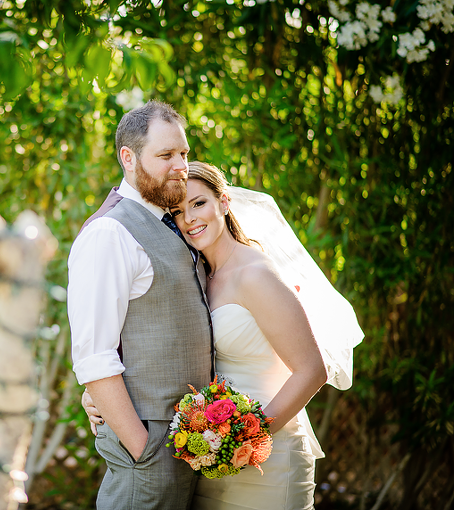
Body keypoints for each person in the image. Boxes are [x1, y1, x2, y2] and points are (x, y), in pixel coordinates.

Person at [84, 161, 364, 509]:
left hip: (266, 453)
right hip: (211, 452)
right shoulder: (198, 275)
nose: (189, 219)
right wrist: (100, 393)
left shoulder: (255, 275)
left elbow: (312, 369)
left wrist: (248, 436)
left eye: (199, 203)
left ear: (224, 203)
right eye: (178, 211)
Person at [68, 101, 213, 510]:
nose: (180, 166)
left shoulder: (180, 220)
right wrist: (143, 449)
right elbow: (95, 358)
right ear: (128, 158)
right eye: (165, 156)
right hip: (149, 458)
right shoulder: (109, 234)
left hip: (193, 446)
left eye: (183, 153)